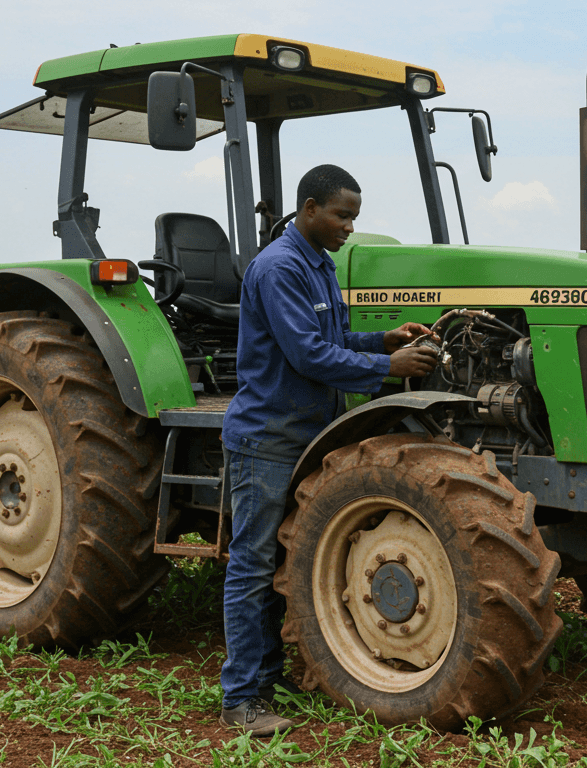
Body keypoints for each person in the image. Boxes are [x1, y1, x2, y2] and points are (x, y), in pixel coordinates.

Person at [218, 164, 439, 736]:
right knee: (252, 565)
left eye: (354, 218)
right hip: (268, 436)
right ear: (309, 208)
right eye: (342, 216)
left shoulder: (318, 264)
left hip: (307, 432)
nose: (348, 228)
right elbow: (308, 357)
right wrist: (386, 367)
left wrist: (381, 339)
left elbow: (332, 342)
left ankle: (269, 677)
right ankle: (240, 699)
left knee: (280, 564)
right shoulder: (279, 268)